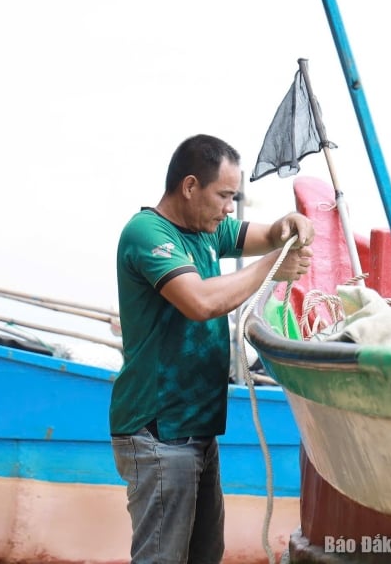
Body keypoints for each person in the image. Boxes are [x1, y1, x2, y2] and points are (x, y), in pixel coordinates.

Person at [109, 134, 314, 564]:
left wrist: (286, 228)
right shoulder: (147, 233)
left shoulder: (205, 230)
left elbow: (264, 235)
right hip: (159, 431)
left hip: (197, 431)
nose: (228, 208)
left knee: (205, 554)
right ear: (189, 187)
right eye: (224, 196)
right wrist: (269, 268)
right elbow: (199, 301)